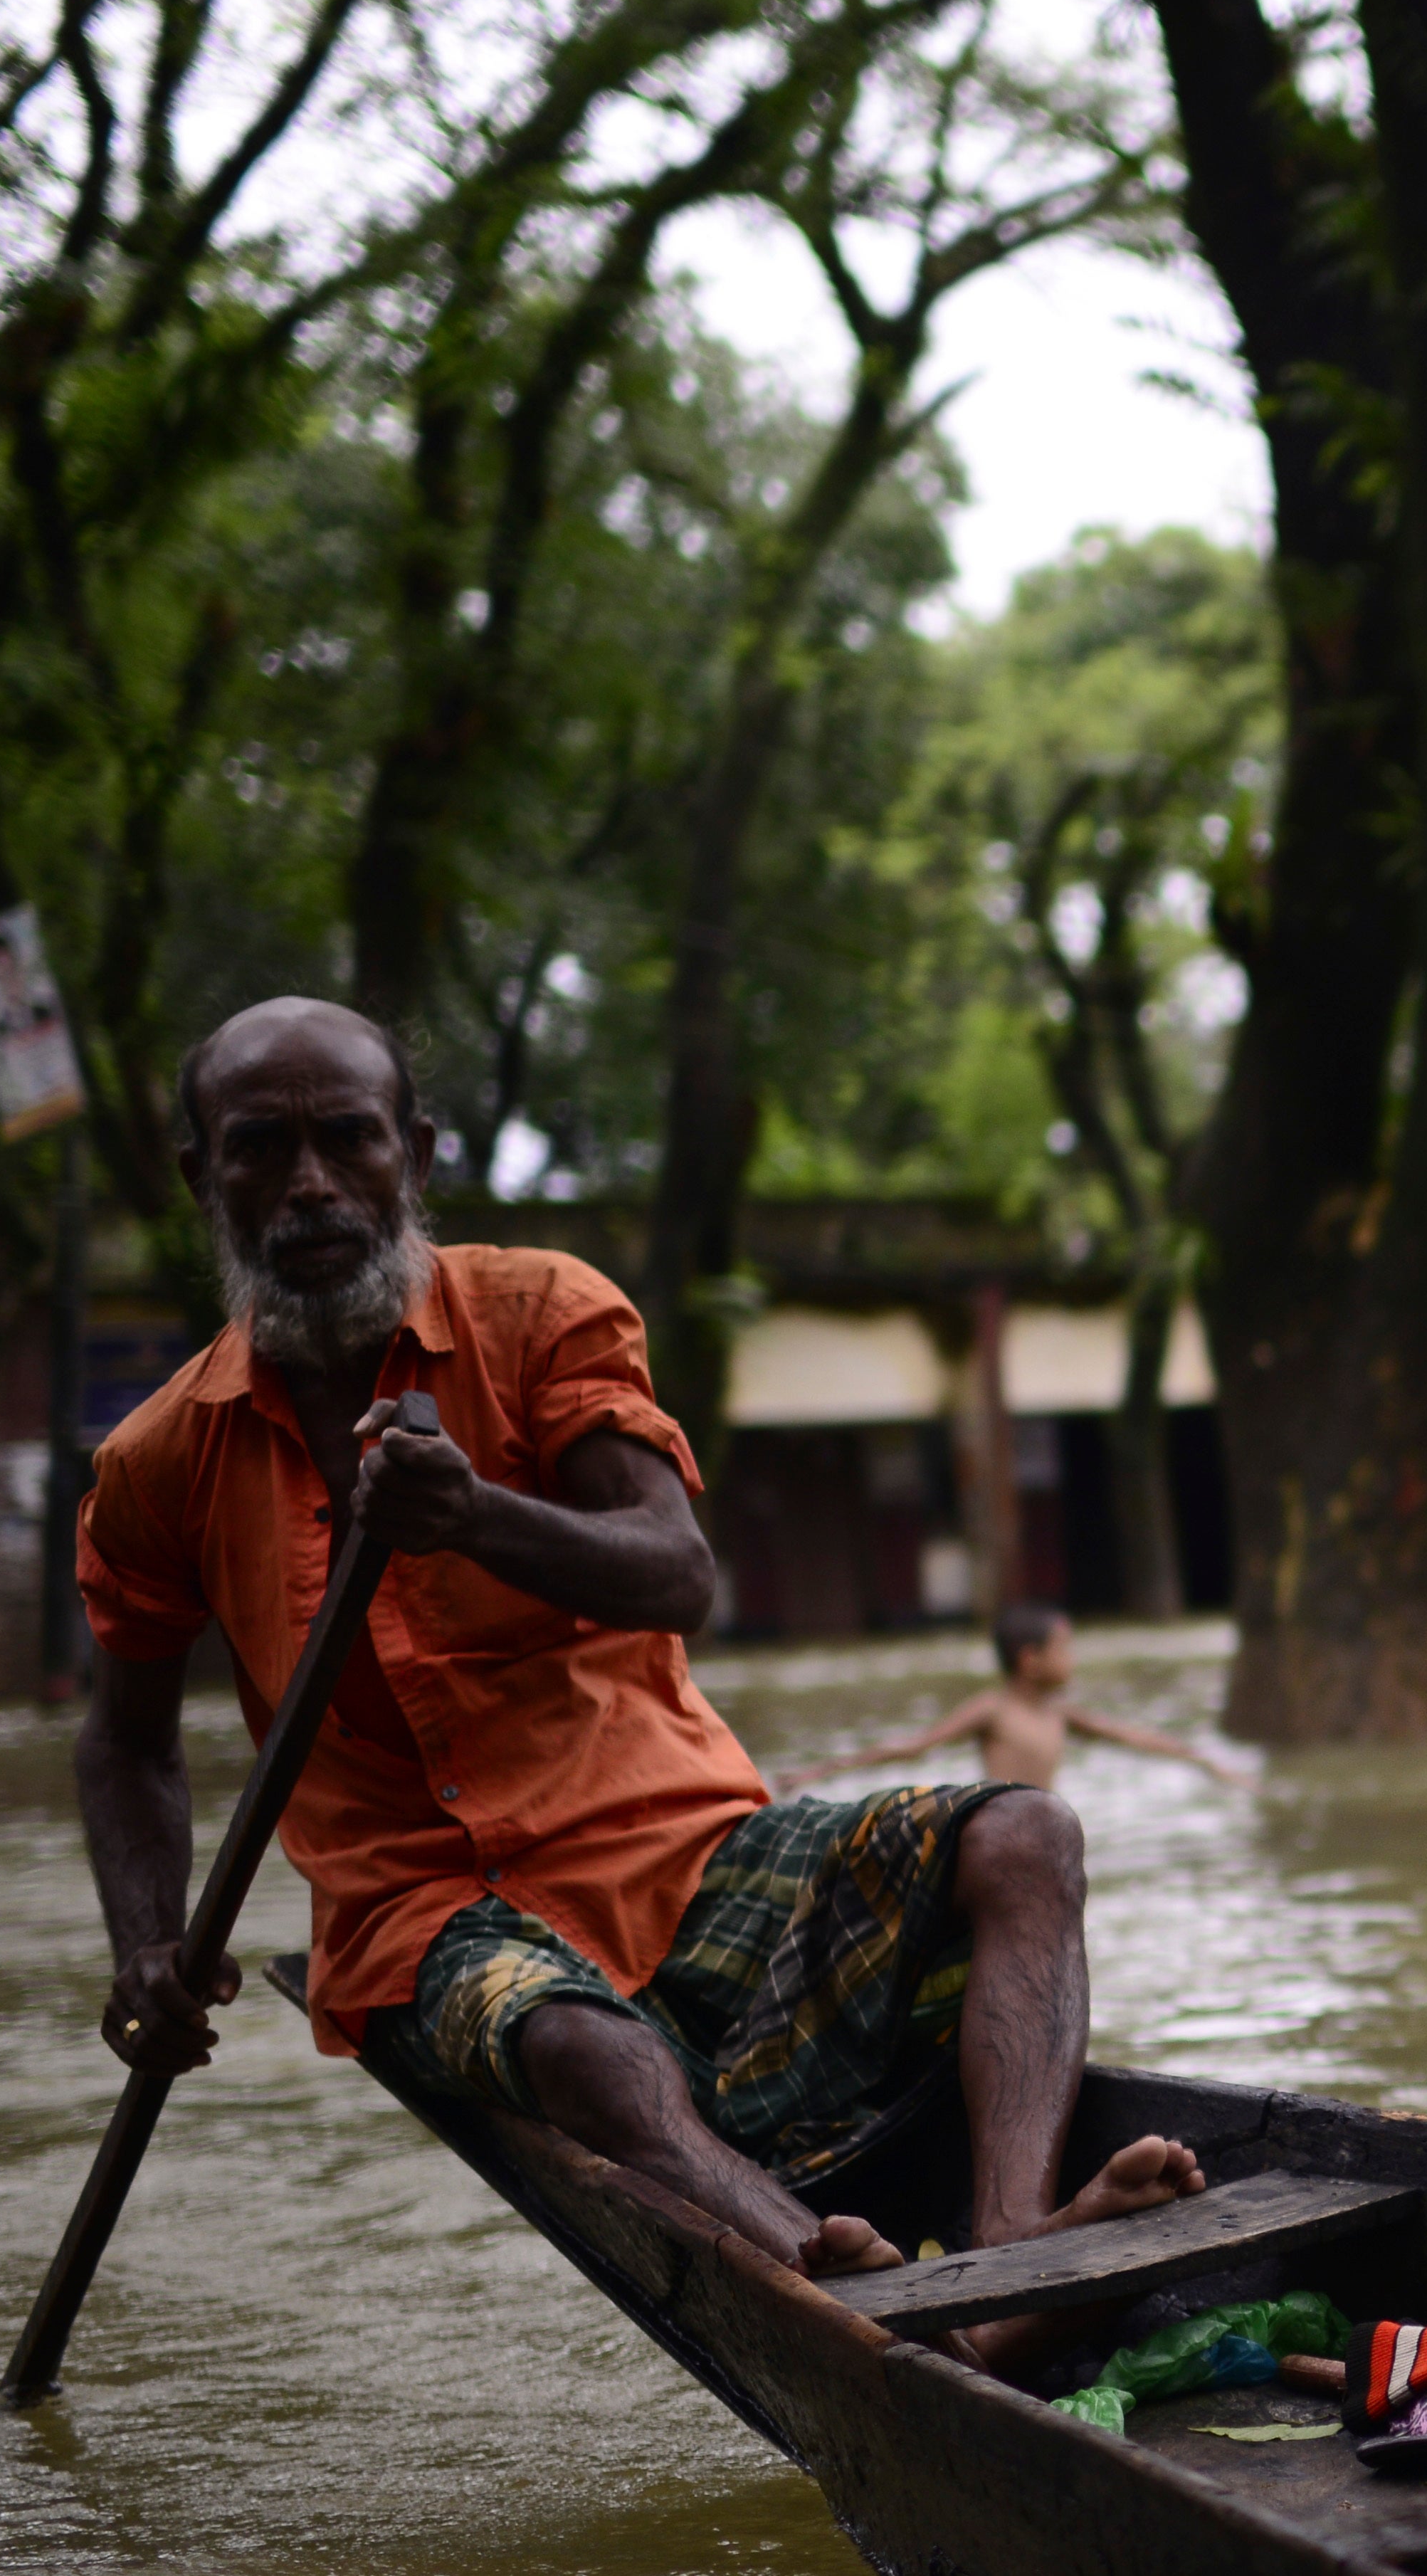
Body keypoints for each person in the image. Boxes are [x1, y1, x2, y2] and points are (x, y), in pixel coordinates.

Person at [73, 997, 1199, 2370]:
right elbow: (127, 1743)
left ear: (413, 1156)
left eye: (346, 1140)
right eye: (260, 1149)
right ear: (203, 1178)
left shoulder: (544, 1312)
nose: (308, 1184)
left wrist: (475, 1513)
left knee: (1030, 1833)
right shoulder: (156, 1459)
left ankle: (1020, 2250)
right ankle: (842, 2287)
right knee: (585, 2049)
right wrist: (144, 1944)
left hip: (678, 1843)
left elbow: (677, 1573)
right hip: (421, 1911)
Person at [780, 1602, 1260, 1797]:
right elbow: (912, 1747)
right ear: (1030, 1660)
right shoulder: (992, 1710)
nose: (1072, 1660)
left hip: (1042, 1828)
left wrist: (1205, 1761)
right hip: (1003, 1824)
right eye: (1064, 1650)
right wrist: (814, 1773)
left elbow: (1133, 1738)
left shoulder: (1061, 1715)